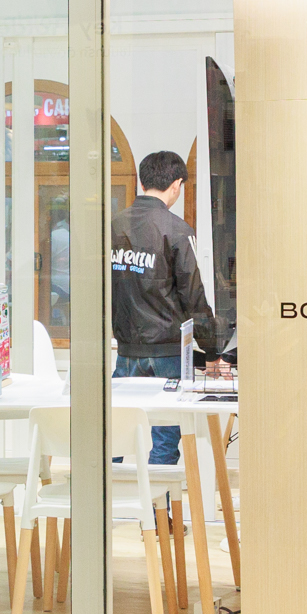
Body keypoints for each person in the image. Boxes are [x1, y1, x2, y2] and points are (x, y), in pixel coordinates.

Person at [108, 149, 222, 463]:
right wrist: (212, 350)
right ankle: (158, 498)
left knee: (115, 438)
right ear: (176, 185)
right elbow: (193, 297)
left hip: (126, 353)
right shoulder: (178, 231)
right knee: (163, 443)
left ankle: (110, 496)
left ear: (142, 181)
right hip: (168, 356)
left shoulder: (113, 227)